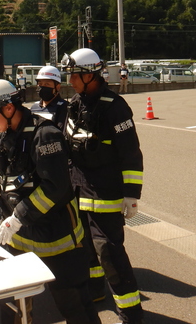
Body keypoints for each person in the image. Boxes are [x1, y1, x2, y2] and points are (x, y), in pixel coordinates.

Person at [0, 80, 100, 324]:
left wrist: (19, 216)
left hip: (59, 243)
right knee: (15, 305)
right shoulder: (6, 137)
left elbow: (55, 188)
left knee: (75, 307)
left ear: (9, 108)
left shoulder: (45, 135)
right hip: (21, 241)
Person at [61, 48, 144, 324]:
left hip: (105, 195)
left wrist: (131, 195)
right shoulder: (76, 102)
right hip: (78, 192)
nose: (70, 81)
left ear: (90, 75)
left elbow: (130, 152)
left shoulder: (115, 106)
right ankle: (96, 292)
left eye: (75, 76)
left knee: (110, 255)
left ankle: (131, 314)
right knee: (85, 250)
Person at [29, 65, 68, 130]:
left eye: (47, 84)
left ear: (57, 87)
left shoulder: (64, 107)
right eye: (40, 84)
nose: (42, 87)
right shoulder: (34, 107)